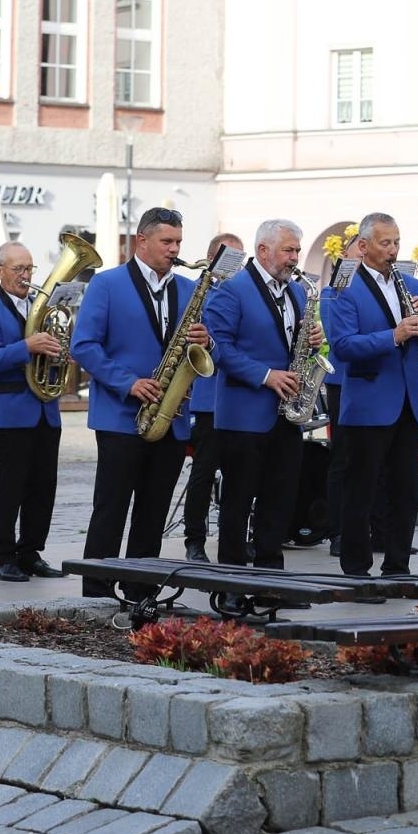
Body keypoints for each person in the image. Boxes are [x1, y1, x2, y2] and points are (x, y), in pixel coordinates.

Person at [71, 207, 210, 600]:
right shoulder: (106, 283)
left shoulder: (187, 289)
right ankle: (96, 594)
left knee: (153, 512)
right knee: (111, 509)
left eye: (179, 242)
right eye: (167, 241)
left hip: (171, 416)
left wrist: (205, 340)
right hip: (120, 416)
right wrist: (128, 383)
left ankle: (140, 592)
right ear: (141, 241)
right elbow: (83, 346)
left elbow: (198, 348)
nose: (174, 249)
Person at [324, 212, 418, 581]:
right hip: (368, 401)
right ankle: (357, 568)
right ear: (363, 246)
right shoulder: (343, 287)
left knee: (404, 490)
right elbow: (343, 346)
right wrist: (394, 335)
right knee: (360, 490)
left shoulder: (409, 283)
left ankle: (397, 566)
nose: (393, 249)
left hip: (408, 400)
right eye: (385, 242)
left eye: (396, 242)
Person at [206, 221, 321, 588]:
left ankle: (272, 578)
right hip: (243, 416)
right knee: (238, 504)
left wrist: (315, 339)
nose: (294, 258)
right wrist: (266, 375)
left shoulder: (297, 293)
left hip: (286, 415)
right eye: (288, 250)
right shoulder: (232, 290)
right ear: (263, 251)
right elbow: (218, 347)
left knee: (280, 499)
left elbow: (296, 345)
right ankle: (232, 583)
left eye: (297, 251)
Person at [0, 241, 68, 582]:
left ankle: (30, 553)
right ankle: (2, 558)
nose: (26, 276)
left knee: (44, 487)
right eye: (18, 270)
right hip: (12, 413)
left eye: (29, 269)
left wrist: (58, 353)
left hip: (46, 410)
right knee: (11, 487)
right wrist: (26, 346)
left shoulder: (42, 308)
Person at [182, 232, 243, 563]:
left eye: (239, 258)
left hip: (239, 395)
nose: (236, 266)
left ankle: (235, 538)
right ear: (212, 259)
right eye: (229, 259)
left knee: (240, 474)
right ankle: (195, 539)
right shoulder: (200, 293)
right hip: (207, 396)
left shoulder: (245, 293)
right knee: (203, 473)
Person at [322, 231, 364, 559]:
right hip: (342, 382)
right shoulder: (333, 292)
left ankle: (372, 528)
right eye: (356, 257)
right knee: (344, 457)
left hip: (371, 382)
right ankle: (337, 530)